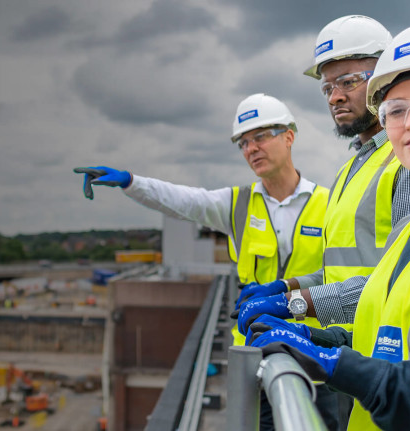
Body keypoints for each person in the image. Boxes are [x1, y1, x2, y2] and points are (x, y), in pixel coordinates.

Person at [249, 21, 410, 430]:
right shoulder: (408, 234)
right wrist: (319, 341)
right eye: (396, 110)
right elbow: (387, 338)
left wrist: (334, 361)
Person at [76, 93, 337, 430]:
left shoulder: (331, 204)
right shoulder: (237, 204)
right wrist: (131, 182)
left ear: (289, 136)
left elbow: (342, 274)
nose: (251, 149)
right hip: (256, 352)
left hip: (316, 351)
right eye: (243, 143)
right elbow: (183, 201)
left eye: (260, 136)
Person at [236, 15, 410, 336]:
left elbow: (402, 279)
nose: (334, 97)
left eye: (348, 81)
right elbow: (340, 273)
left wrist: (294, 303)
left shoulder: (407, 160)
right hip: (352, 355)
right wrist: (285, 287)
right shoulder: (349, 171)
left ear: (386, 79)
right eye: (327, 87)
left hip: (390, 354)